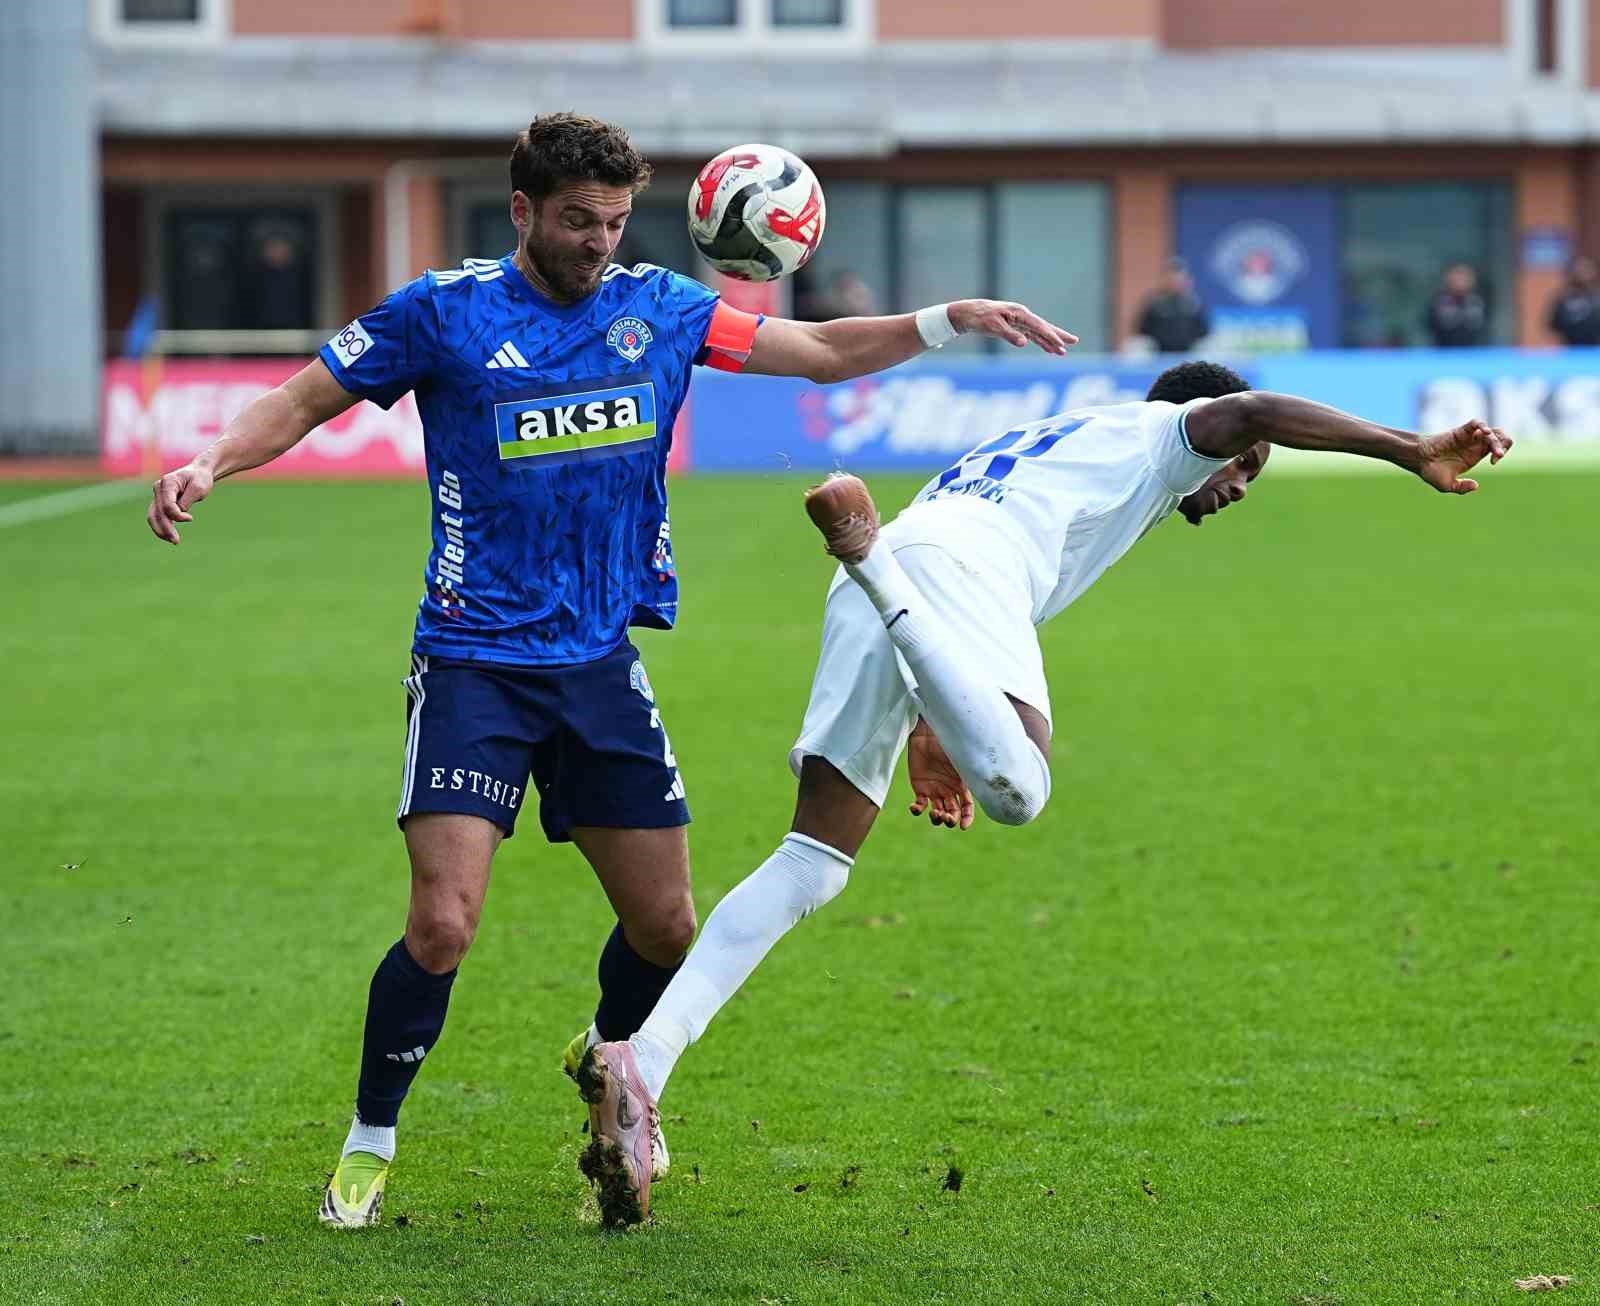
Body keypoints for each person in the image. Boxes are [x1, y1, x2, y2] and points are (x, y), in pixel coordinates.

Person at [143, 112, 1077, 1230]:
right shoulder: (445, 313)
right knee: (443, 925)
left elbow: (821, 353)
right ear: (525, 212)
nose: (598, 241)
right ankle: (368, 1142)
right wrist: (209, 458)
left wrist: (945, 318)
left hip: (597, 666)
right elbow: (303, 399)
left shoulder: (658, 311)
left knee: (667, 930)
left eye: (617, 221)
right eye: (579, 220)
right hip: (473, 663)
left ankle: (607, 1055)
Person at [571, 360, 1514, 1227]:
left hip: (906, 555)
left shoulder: (1070, 441)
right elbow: (1255, 408)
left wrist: (934, 719)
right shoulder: (1166, 436)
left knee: (812, 862)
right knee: (1021, 788)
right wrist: (1404, 449)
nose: (1234, 489)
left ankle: (638, 1062)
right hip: (928, 571)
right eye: (1243, 470)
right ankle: (870, 563)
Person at [1134, 257, 1210, 354]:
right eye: (1172, 279)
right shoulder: (1155, 303)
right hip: (1158, 352)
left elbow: (1204, 331)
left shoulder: (1194, 304)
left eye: (1179, 279)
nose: (1175, 282)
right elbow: (1142, 329)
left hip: (1189, 352)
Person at [1424, 263, 1489, 348]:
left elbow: (1483, 328)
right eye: (1457, 277)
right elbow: (1430, 326)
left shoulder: (1478, 302)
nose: (1460, 281)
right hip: (1443, 353)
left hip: (1474, 353)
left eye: (1464, 277)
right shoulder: (1438, 301)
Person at [1547, 256, 1600, 346]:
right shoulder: (1564, 298)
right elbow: (1552, 324)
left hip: (1595, 349)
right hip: (1571, 349)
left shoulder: (1597, 297)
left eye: (1587, 269)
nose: (1584, 273)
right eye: (1580, 270)